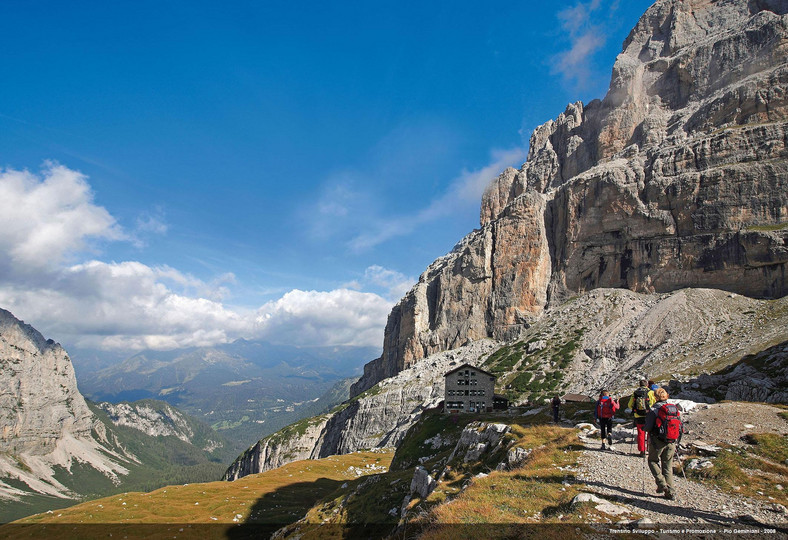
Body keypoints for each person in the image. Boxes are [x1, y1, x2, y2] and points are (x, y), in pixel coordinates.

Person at [644, 387, 682, 500]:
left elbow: (648, 427)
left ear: (655, 397)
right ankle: (670, 492)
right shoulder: (674, 409)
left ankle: (661, 484)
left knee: (652, 461)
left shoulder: (654, 410)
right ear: (667, 396)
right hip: (671, 441)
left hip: (657, 441)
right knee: (667, 466)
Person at [628, 379, 656, 456]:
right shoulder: (651, 392)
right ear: (647, 385)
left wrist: (636, 410)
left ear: (639, 385)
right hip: (649, 416)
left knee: (641, 433)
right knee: (650, 433)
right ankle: (649, 450)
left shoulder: (635, 392)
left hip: (638, 416)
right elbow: (654, 403)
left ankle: (642, 451)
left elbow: (630, 405)